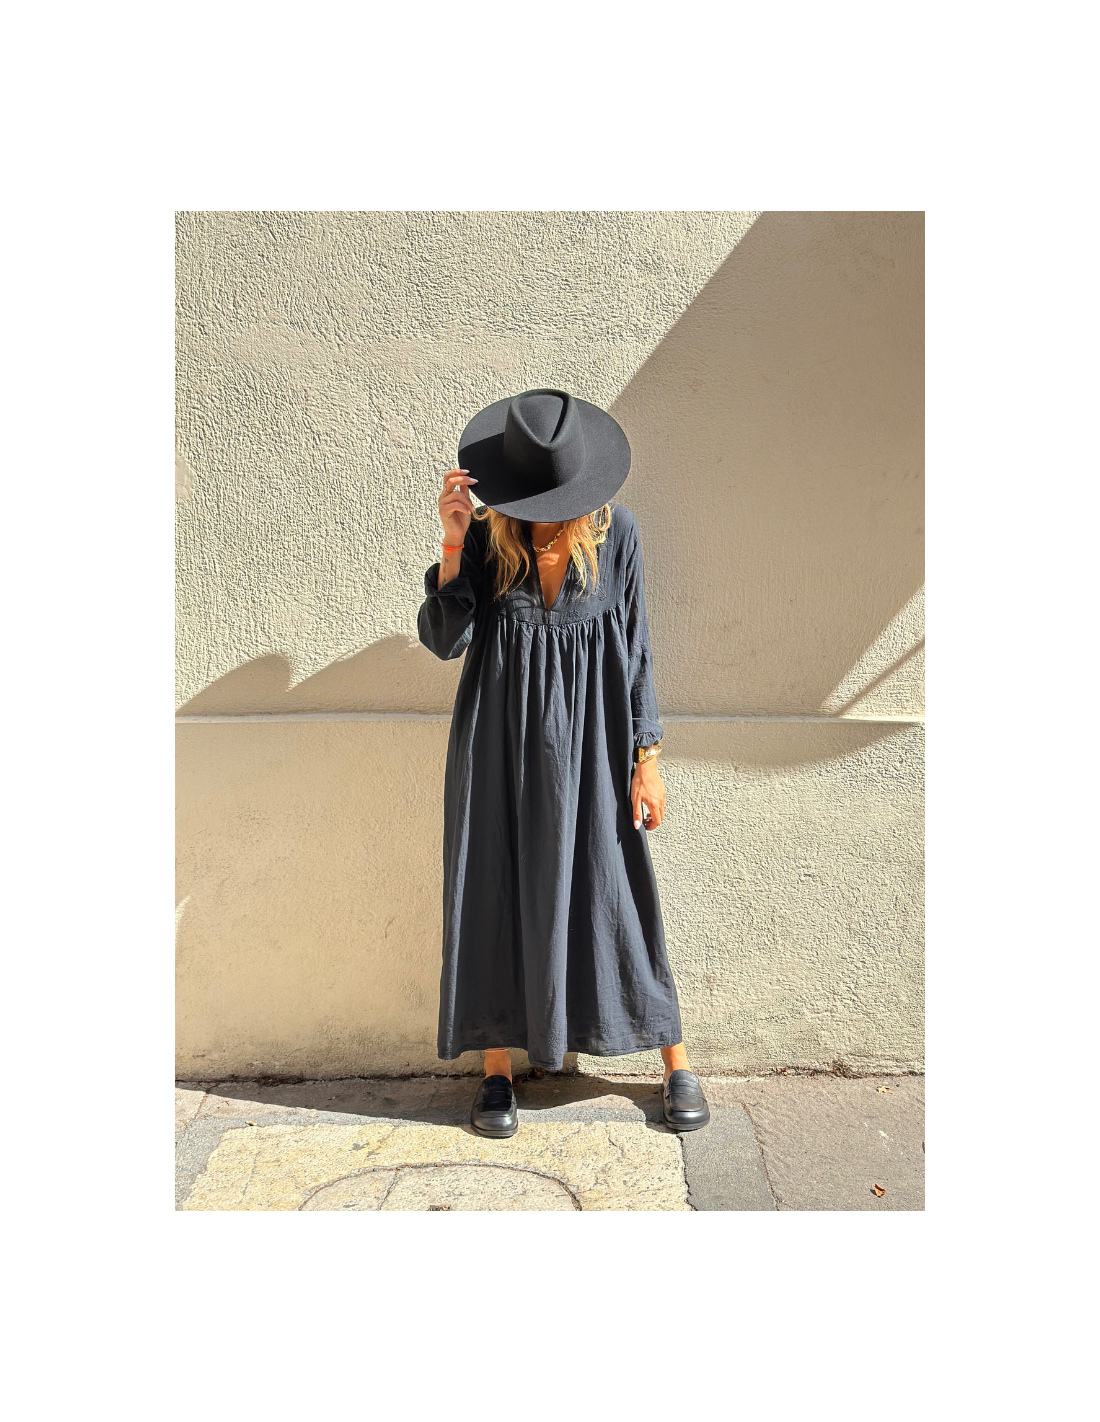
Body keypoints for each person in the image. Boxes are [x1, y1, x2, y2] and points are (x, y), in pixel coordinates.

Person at [417, 388, 709, 1137]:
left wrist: (647, 757)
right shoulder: (487, 539)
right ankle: (496, 1071)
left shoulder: (618, 535)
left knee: (616, 888)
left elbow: (636, 648)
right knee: (495, 887)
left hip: (595, 741)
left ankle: (674, 1059)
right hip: (497, 743)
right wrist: (452, 544)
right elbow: (446, 641)